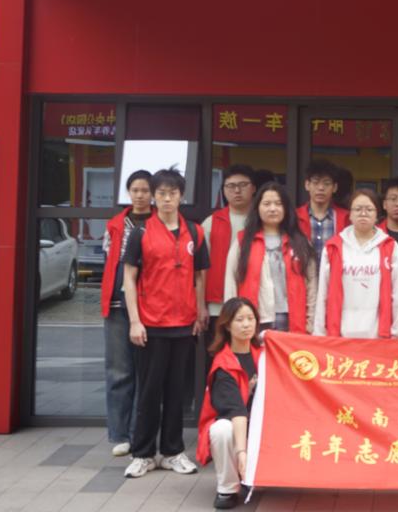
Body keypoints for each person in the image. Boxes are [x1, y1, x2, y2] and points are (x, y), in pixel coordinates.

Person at [121, 167, 210, 479]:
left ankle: (172, 452)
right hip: (151, 324)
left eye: (173, 193)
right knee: (149, 392)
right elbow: (129, 278)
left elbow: (200, 276)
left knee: (176, 393)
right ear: (153, 197)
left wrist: (200, 311)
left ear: (181, 196)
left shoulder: (195, 232)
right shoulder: (140, 233)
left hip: (184, 324)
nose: (167, 199)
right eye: (161, 193)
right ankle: (143, 454)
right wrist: (135, 321)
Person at [99, 169, 152, 457]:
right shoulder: (116, 225)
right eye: (135, 190)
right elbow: (109, 263)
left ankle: (139, 433)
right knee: (119, 371)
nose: (140, 195)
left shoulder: (160, 223)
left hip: (151, 305)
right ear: (128, 193)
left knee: (146, 373)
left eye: (145, 190)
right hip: (117, 305)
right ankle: (119, 434)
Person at [224, 182, 317, 332]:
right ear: (257, 208)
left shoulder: (300, 242)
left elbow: (312, 284)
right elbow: (230, 281)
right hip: (254, 318)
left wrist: (310, 321)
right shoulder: (243, 241)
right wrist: (231, 318)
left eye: (278, 204)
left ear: (286, 208)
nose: (272, 209)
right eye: (266, 204)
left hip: (292, 318)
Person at [196, 297, 261, 510]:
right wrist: (242, 452)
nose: (246, 324)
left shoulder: (265, 355)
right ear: (227, 325)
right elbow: (236, 411)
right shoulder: (223, 364)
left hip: (262, 425)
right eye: (239, 320)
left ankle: (255, 476)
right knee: (222, 429)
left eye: (250, 318)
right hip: (236, 425)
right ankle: (228, 488)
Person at [314, 188, 398, 338]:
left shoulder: (389, 246)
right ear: (349, 214)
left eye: (369, 209)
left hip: (378, 335)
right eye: (357, 209)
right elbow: (323, 293)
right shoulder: (333, 247)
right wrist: (319, 333)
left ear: (377, 214)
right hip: (341, 334)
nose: (363, 213)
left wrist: (397, 332)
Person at [201, 165, 257, 372]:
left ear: (253, 188)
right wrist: (201, 305)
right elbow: (201, 269)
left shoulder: (262, 220)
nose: (237, 190)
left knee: (252, 360)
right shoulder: (211, 222)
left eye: (243, 185)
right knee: (219, 358)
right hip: (218, 305)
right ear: (223, 190)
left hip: (254, 305)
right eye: (231, 186)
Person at [296, 159, 349, 257]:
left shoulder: (346, 218)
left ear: (334, 187)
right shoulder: (295, 216)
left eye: (326, 183)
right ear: (307, 185)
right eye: (316, 182)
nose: (321, 188)